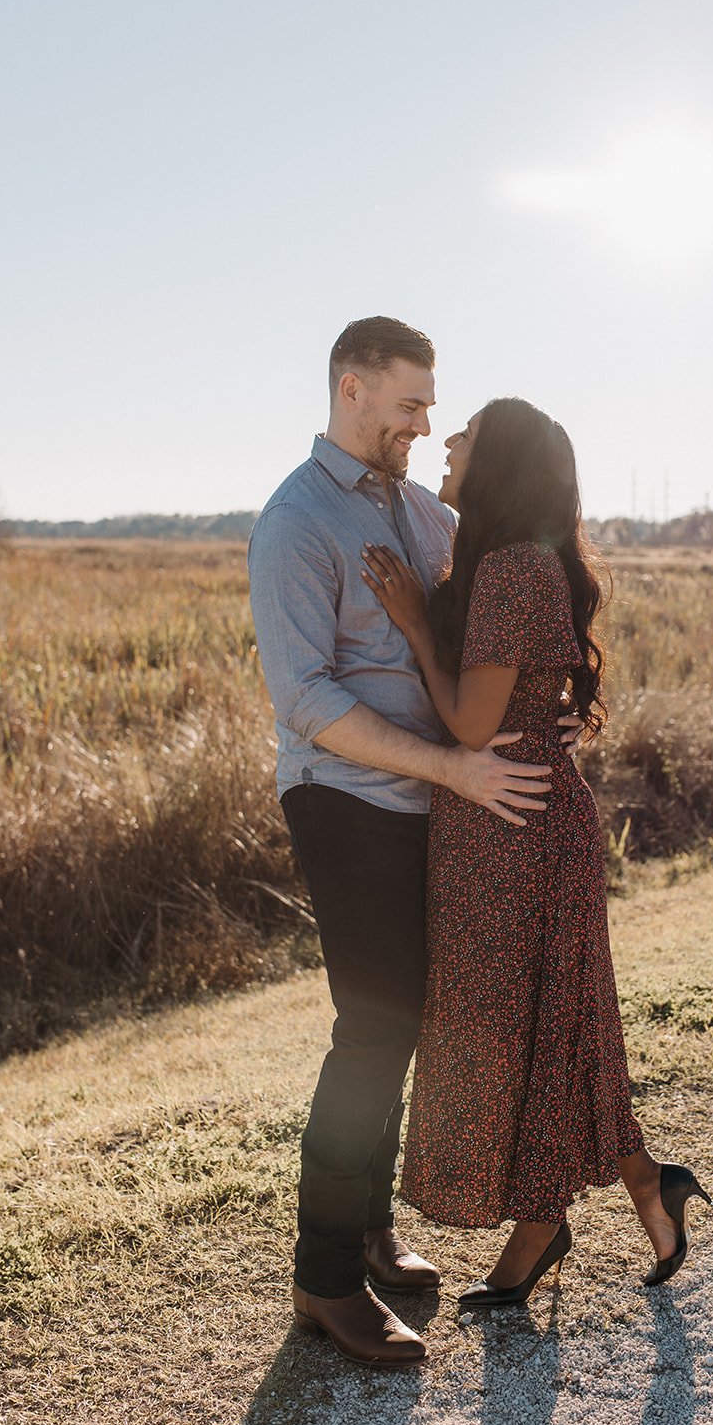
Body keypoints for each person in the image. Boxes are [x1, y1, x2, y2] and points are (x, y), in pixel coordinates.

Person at [248, 319, 566, 1367]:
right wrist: (453, 769)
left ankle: (373, 1229)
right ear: (351, 389)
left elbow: (492, 641)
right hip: (346, 796)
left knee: (412, 1020)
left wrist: (549, 716)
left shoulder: (431, 518)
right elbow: (304, 699)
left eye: (435, 407)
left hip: (440, 802)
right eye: (409, 404)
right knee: (373, 1028)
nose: (426, 425)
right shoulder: (294, 523)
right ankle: (324, 1281)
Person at [361, 397, 713, 1309]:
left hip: (512, 836)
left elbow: (474, 722)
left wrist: (410, 627)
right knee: (553, 1022)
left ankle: (559, 1215)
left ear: (499, 463)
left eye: (468, 434)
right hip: (508, 828)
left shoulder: (514, 570)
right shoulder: (509, 562)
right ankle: (619, 1194)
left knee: (525, 1028)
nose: (448, 441)